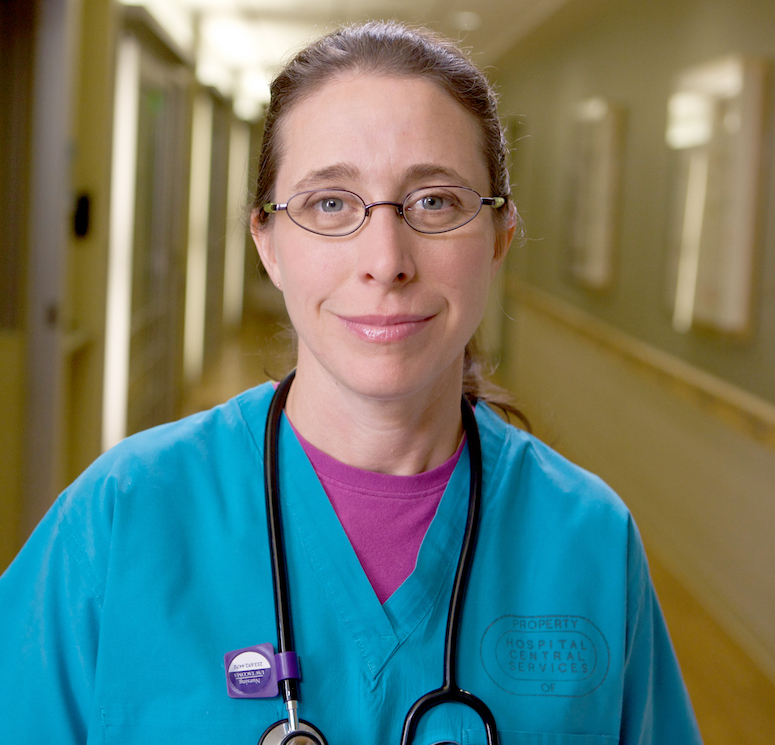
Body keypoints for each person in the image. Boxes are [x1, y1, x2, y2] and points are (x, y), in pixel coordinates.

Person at [0, 20, 702, 745]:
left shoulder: (586, 537)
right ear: (267, 244)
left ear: (498, 237)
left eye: (434, 201)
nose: (385, 259)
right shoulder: (123, 517)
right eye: (329, 203)